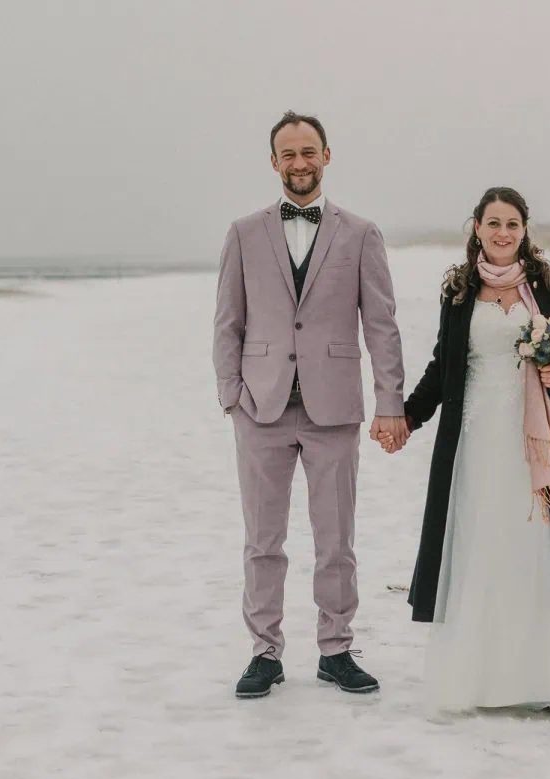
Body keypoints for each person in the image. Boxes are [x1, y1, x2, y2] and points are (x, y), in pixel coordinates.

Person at [382, 187, 550, 712]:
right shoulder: (458, 290)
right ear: (476, 227)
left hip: (539, 437)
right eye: (493, 223)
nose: (503, 233)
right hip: (477, 439)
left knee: (538, 546)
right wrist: (407, 415)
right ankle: (483, 679)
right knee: (483, 542)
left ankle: (549, 677)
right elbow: (443, 365)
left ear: (524, 229)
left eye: (512, 224)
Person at [213, 110, 409, 698]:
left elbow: (382, 324)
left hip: (334, 409)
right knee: (263, 540)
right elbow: (228, 322)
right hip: (261, 407)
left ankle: (336, 648)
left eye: (309, 152)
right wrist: (232, 397)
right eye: (288, 154)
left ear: (326, 155)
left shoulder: (361, 233)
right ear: (274, 162)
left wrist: (389, 402)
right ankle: (265, 651)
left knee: (336, 540)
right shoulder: (244, 233)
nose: (299, 163)